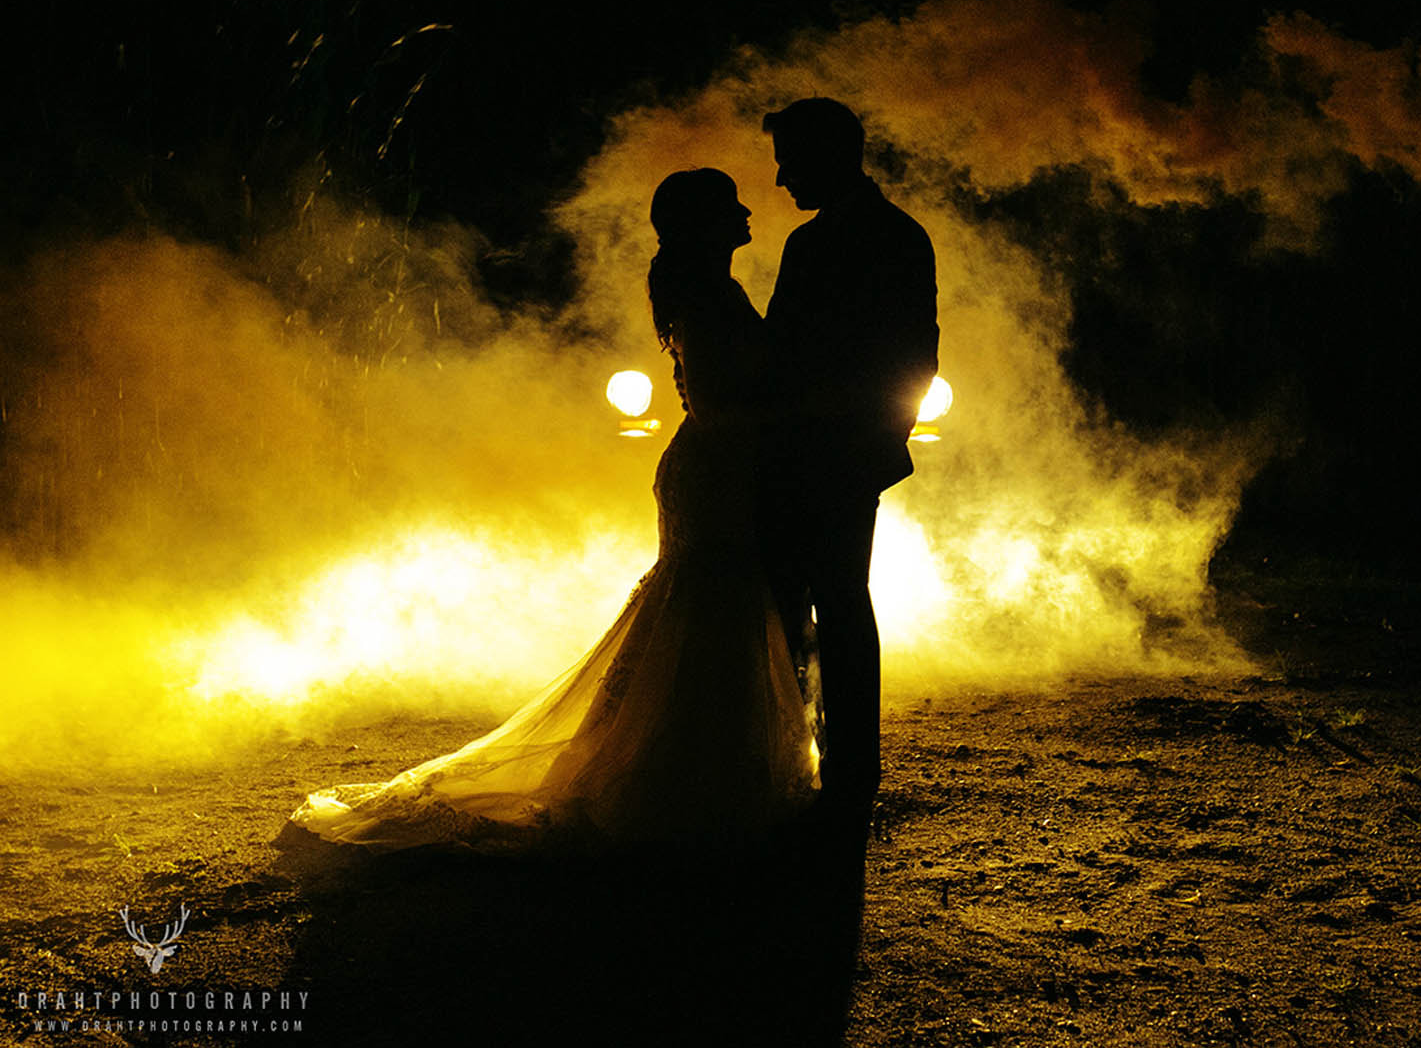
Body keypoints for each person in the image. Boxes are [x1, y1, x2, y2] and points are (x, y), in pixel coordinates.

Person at [289, 170, 818, 851]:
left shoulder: (700, 288)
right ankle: (693, 782)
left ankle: (695, 771)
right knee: (713, 607)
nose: (747, 210)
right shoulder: (709, 293)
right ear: (704, 221)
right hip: (719, 466)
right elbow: (722, 399)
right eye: (729, 204)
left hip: (712, 462)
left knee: (704, 611)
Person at [761, 98, 938, 815]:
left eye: (789, 162)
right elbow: (916, 355)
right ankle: (843, 764)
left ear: (826, 156)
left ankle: (817, 757)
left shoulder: (817, 245)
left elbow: (780, 353)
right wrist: (882, 441)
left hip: (816, 450)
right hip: (848, 450)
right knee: (837, 601)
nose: (779, 180)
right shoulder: (901, 235)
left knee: (808, 603)